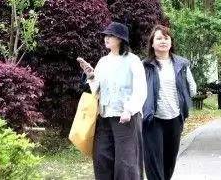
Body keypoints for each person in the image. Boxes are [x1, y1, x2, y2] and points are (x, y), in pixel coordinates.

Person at [78, 21, 147, 180]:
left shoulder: (133, 60)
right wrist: (91, 76)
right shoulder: (103, 62)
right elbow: (98, 90)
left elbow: (140, 89)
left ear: (121, 39)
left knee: (126, 163)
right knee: (102, 158)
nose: (106, 38)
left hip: (126, 118)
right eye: (105, 35)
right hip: (104, 117)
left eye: (111, 35)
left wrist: (129, 110)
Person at [142, 25, 197, 180]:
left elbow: (192, 88)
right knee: (154, 164)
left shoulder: (181, 64)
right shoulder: (144, 66)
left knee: (169, 162)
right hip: (152, 119)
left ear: (171, 42)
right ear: (152, 43)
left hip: (175, 119)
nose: (163, 41)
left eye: (166, 38)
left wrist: (185, 101)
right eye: (159, 38)